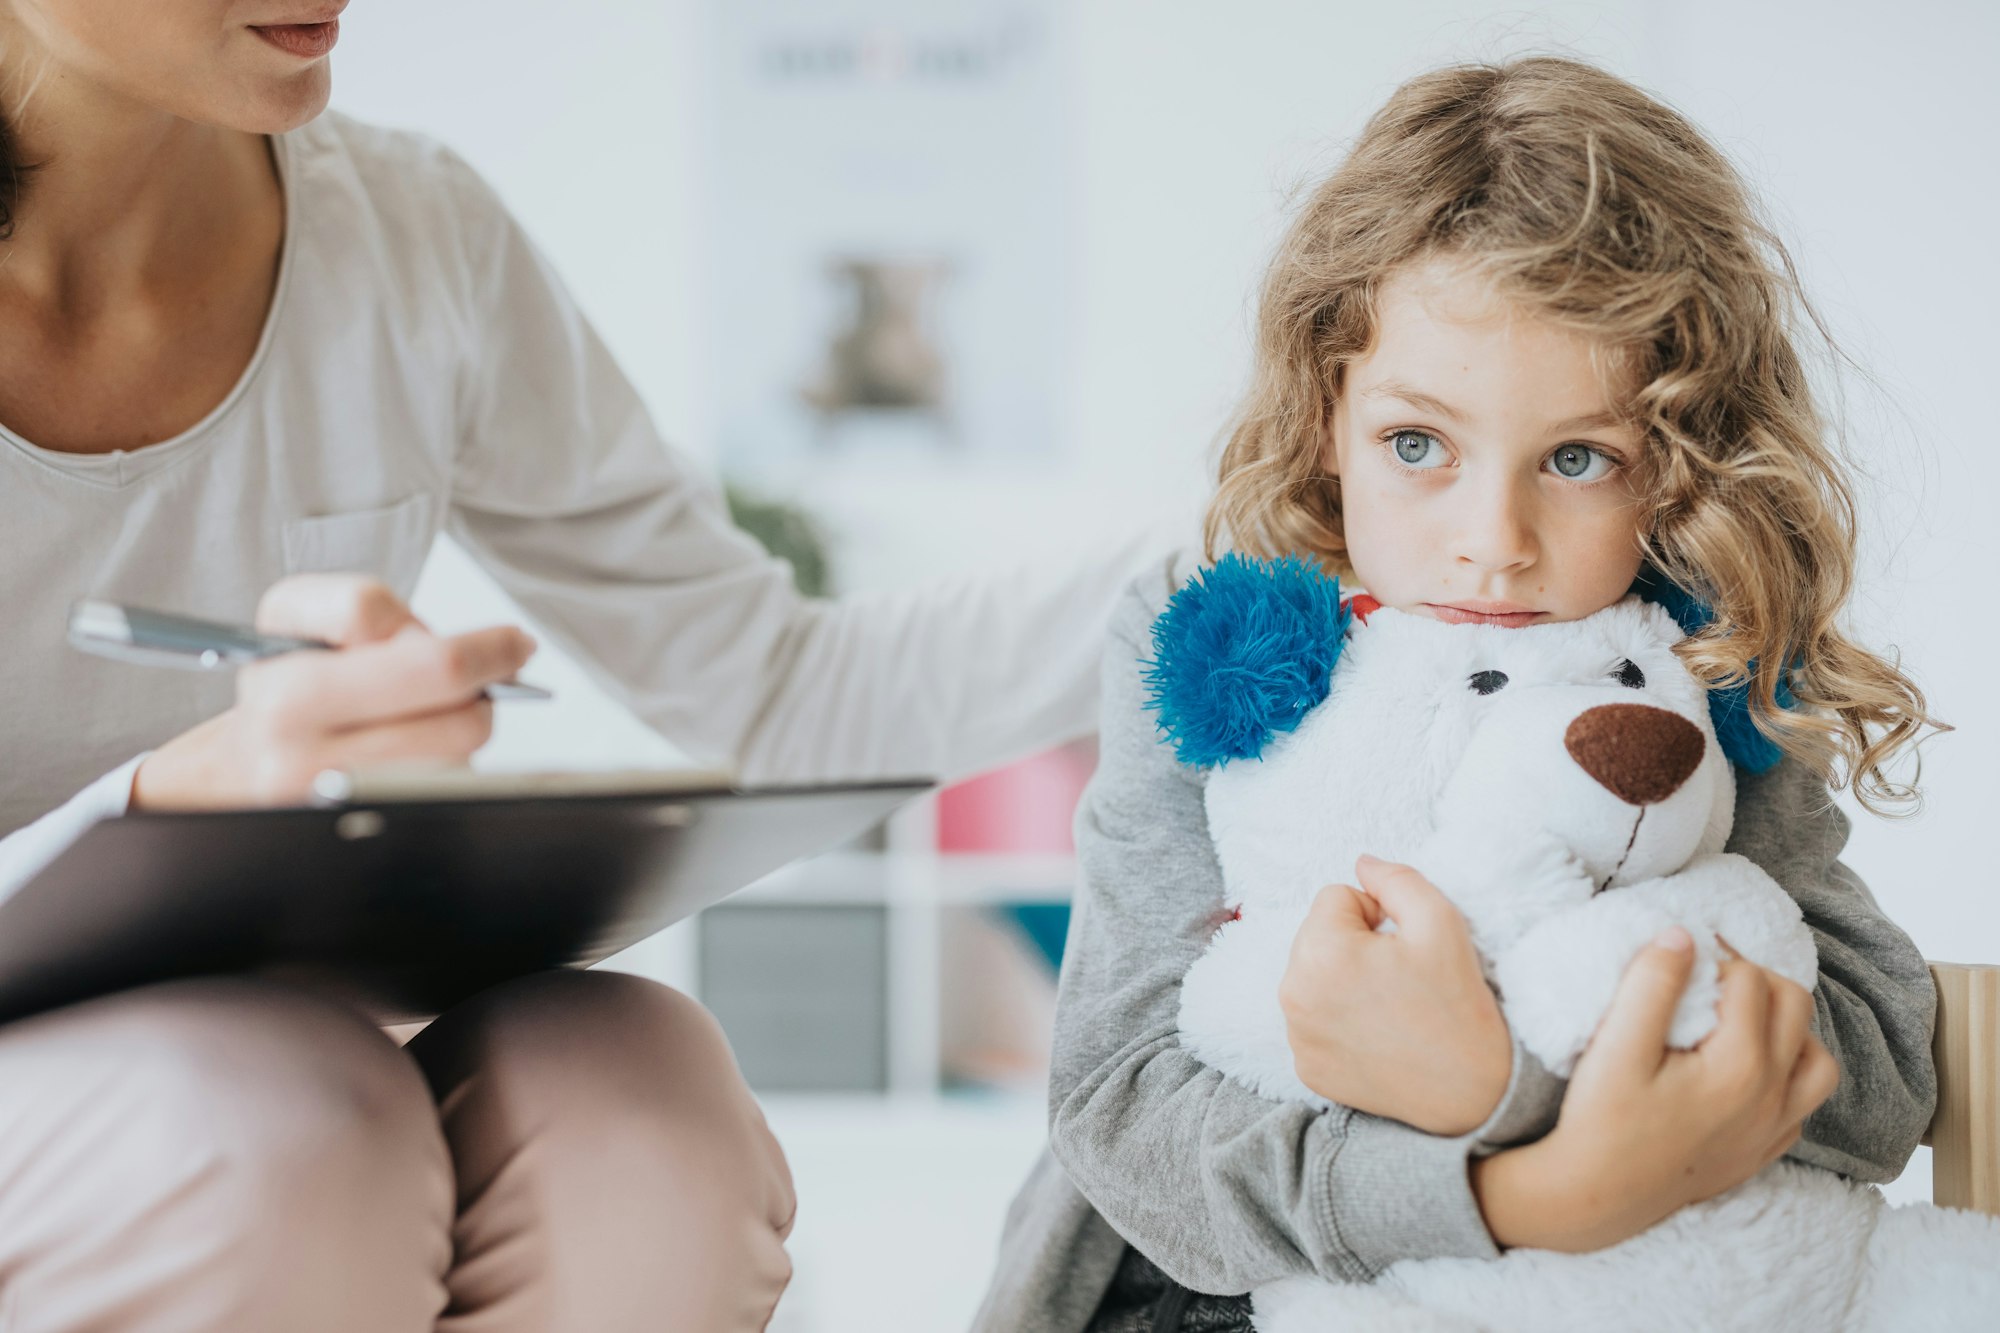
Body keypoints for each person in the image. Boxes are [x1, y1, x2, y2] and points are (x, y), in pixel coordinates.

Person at [0, 2, 1177, 1329]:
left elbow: (776, 693)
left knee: (640, 1100)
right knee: (266, 1129)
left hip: (269, 1057)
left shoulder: (407, 237)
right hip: (221, 1109)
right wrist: (163, 814)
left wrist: (1263, 530)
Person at [975, 56, 1943, 1332]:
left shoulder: (1687, 655)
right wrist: (1525, 1179)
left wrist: (1499, 1074)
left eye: (1580, 457)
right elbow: (1126, 1105)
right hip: (1208, 1295)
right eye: (1415, 444)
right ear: (1327, 410)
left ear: (1679, 464)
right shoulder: (1205, 633)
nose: (1492, 539)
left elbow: (1873, 1077)